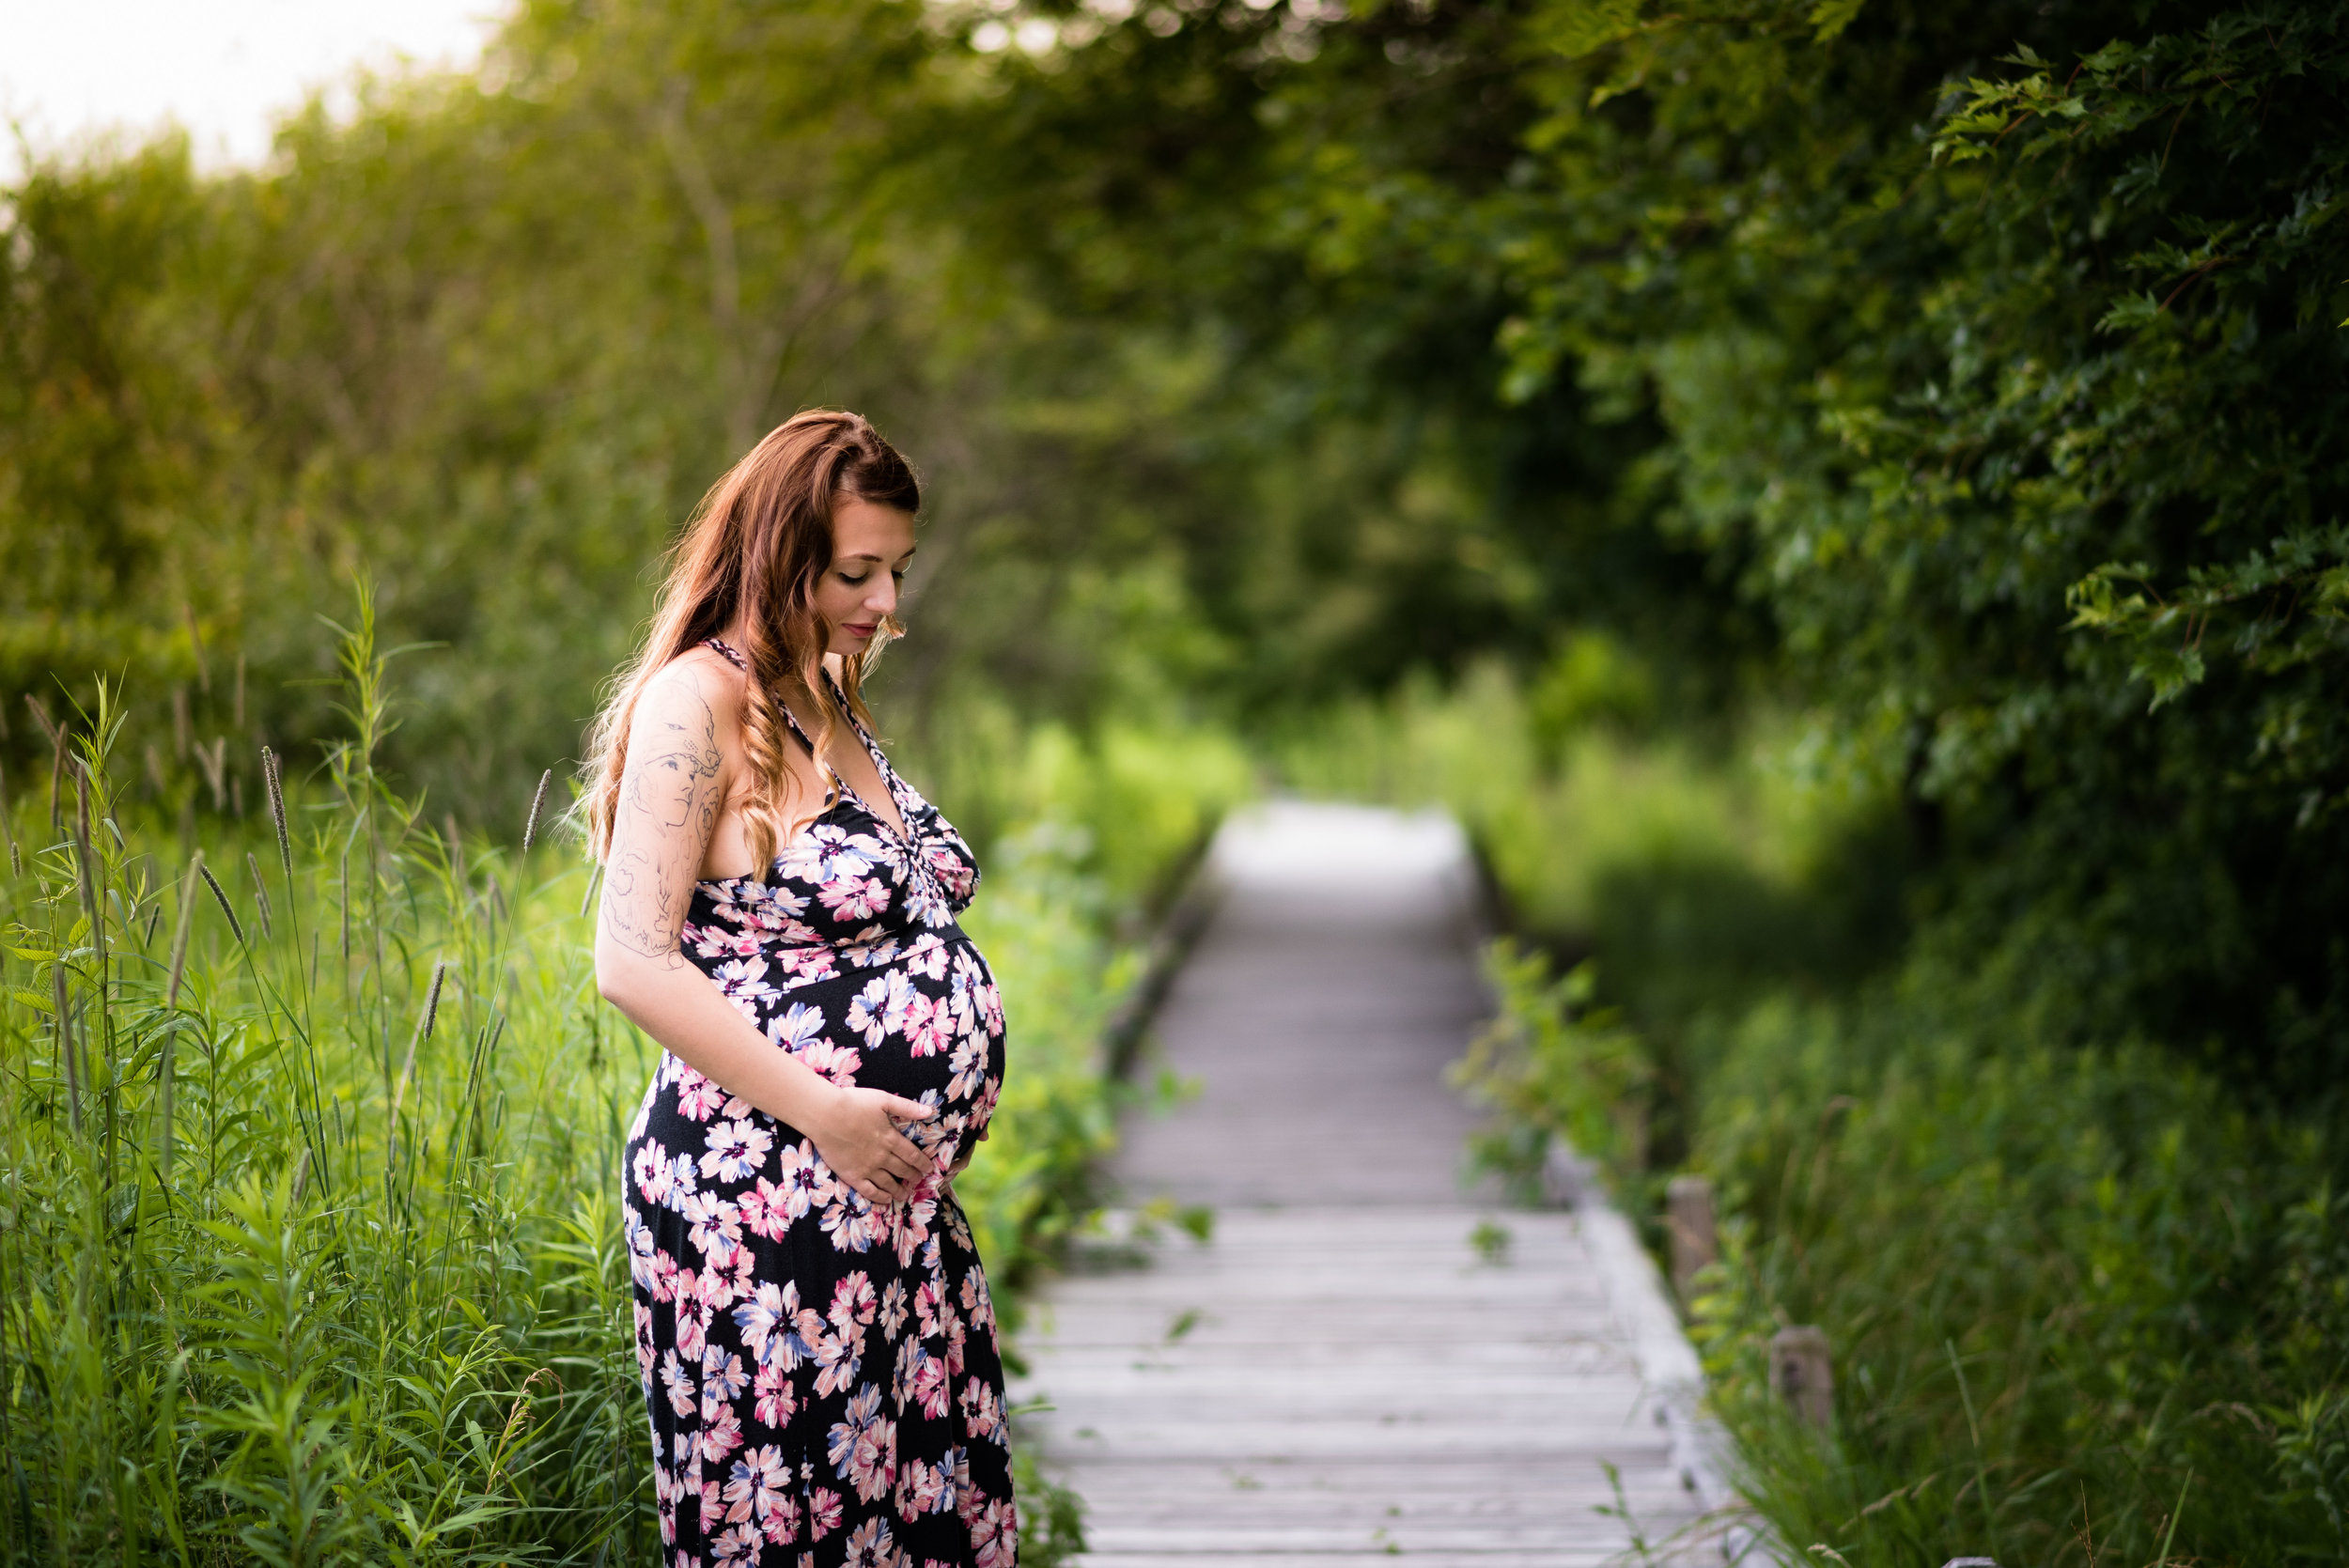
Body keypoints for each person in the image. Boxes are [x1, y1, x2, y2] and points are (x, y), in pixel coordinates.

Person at [583, 410, 1015, 1568]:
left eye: (897, 571)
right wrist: (826, 1109)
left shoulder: (825, 692)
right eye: (855, 572)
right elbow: (630, 959)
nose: (884, 602)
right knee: (795, 1533)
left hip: (891, 1206)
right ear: (781, 554)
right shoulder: (696, 702)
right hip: (763, 1208)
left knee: (915, 1525)